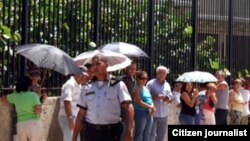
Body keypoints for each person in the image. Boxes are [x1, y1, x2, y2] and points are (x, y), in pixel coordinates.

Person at [72, 54, 134, 141]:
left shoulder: (117, 84)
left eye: (98, 64)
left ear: (106, 65)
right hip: (91, 132)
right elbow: (81, 113)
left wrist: (128, 132)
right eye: (93, 64)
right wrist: (74, 137)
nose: (95, 67)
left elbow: (129, 108)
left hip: (111, 132)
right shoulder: (87, 87)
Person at [0, 76, 44, 141]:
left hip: (21, 125)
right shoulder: (33, 95)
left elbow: (2, 99)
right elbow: (38, 111)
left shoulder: (14, 96)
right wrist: (39, 98)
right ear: (28, 86)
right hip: (34, 124)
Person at [58, 66, 88, 141]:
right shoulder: (70, 84)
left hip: (74, 117)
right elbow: (67, 101)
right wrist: (70, 119)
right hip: (68, 117)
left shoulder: (79, 85)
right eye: (82, 75)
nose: (83, 77)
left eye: (85, 76)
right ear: (75, 74)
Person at [146, 66, 172, 141]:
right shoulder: (150, 83)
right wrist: (155, 96)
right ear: (157, 73)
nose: (162, 74)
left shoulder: (167, 85)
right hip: (153, 114)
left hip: (164, 114)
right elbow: (145, 97)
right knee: (151, 135)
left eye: (164, 73)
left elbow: (170, 97)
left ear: (166, 75)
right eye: (160, 72)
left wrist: (167, 99)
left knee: (161, 135)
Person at [133, 71, 155, 141]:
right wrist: (151, 107)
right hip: (140, 112)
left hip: (148, 112)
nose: (144, 80)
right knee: (139, 133)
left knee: (147, 133)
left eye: (146, 78)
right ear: (137, 78)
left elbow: (150, 99)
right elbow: (139, 102)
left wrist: (153, 107)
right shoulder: (135, 88)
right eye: (142, 78)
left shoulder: (146, 88)